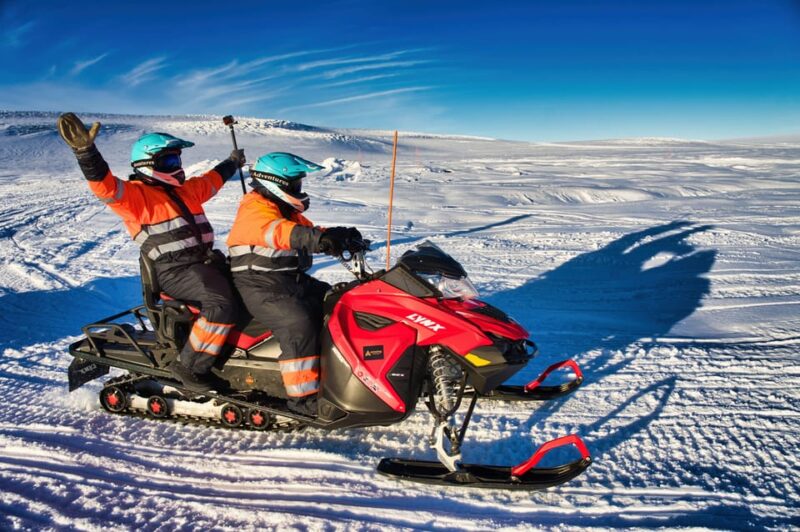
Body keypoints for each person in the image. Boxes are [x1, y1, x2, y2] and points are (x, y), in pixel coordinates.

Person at [56, 113, 245, 393]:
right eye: (169, 161)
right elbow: (105, 187)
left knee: (250, 286)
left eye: (177, 160)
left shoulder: (186, 191)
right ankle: (191, 366)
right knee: (220, 303)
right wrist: (87, 153)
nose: (176, 167)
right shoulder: (135, 197)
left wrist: (232, 163)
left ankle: (236, 352)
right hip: (174, 271)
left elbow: (211, 180)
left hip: (203, 265)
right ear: (147, 166)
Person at [226, 152, 362, 416]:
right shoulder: (255, 208)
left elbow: (310, 231)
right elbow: (282, 232)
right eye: (296, 184)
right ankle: (302, 400)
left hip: (288, 281)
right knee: (298, 325)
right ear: (276, 183)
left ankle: (337, 374)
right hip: (259, 287)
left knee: (338, 301)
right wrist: (319, 240)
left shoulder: (282, 209)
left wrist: (340, 235)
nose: (299, 189)